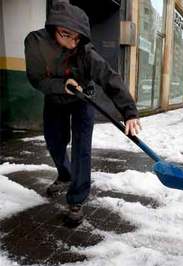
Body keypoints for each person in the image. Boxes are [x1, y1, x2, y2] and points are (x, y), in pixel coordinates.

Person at [24, 1, 141, 226]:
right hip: (55, 99)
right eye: (66, 35)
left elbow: (110, 78)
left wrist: (129, 112)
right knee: (55, 142)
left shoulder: (86, 52)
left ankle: (76, 199)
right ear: (53, 28)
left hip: (82, 100)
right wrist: (61, 85)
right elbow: (36, 78)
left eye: (77, 38)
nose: (71, 43)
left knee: (81, 148)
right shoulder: (35, 41)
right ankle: (65, 174)